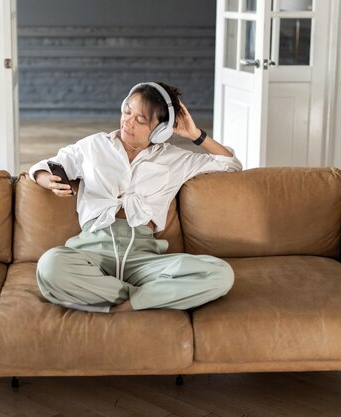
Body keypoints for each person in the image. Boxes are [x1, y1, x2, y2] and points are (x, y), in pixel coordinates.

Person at [29, 82, 243, 314]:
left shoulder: (174, 158)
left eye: (140, 120)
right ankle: (147, 298)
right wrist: (45, 178)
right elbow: (46, 166)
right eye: (127, 111)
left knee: (221, 274)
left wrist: (195, 134)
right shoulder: (94, 145)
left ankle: (116, 304)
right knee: (50, 266)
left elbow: (231, 165)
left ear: (161, 129)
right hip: (91, 252)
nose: (127, 122)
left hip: (143, 259)